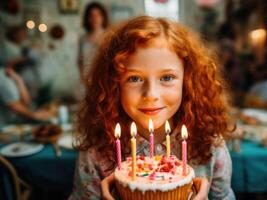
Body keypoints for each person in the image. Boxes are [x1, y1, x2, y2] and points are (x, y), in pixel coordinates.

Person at [69, 16, 235, 200]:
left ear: (188, 81)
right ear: (113, 85)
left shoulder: (210, 146)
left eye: (167, 77)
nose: (151, 94)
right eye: (134, 78)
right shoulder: (96, 153)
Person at [0, 26, 52, 124]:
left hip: (13, 123)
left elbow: (27, 103)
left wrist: (19, 81)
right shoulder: (2, 78)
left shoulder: (14, 77)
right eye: (22, 34)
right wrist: (34, 115)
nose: (25, 36)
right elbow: (13, 104)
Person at [78, 2, 109, 81]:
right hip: (87, 80)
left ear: (103, 17)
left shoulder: (109, 36)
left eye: (98, 15)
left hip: (104, 79)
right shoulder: (83, 39)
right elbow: (80, 60)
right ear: (87, 18)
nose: (95, 18)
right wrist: (83, 77)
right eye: (91, 15)